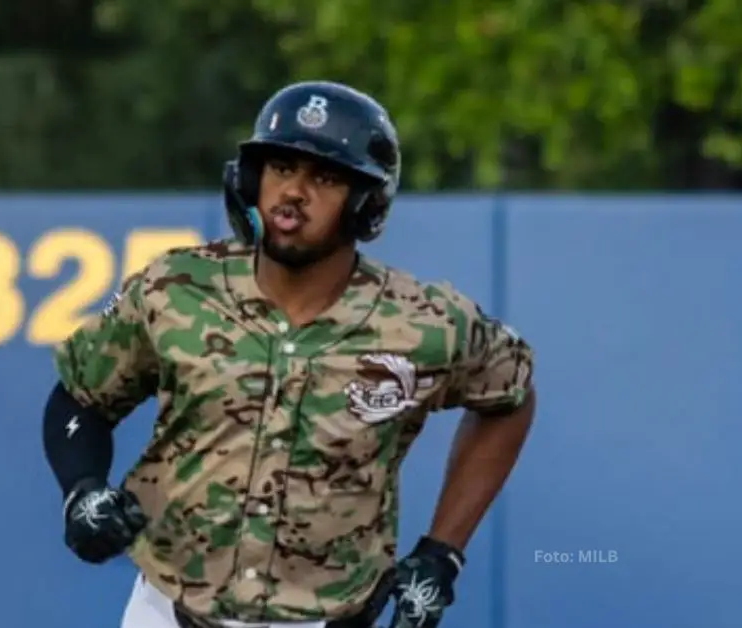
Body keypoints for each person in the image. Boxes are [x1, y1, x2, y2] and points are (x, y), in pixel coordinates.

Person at [42, 80, 536, 628]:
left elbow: (509, 394)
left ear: (365, 204)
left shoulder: (424, 323)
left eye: (324, 177)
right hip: (167, 608)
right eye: (280, 168)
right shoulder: (175, 287)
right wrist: (82, 491)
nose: (293, 192)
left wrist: (443, 552)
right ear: (250, 180)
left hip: (326, 615)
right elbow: (79, 398)